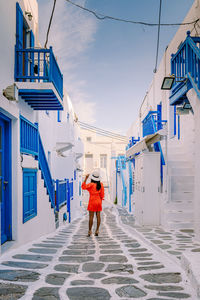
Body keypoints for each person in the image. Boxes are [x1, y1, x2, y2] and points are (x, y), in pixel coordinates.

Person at [81, 170, 104, 237]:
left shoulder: (91, 185)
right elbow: (102, 195)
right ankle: (97, 230)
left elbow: (83, 187)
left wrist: (86, 178)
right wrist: (100, 201)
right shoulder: (101, 185)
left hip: (92, 201)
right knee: (98, 216)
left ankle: (90, 231)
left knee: (91, 217)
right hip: (98, 201)